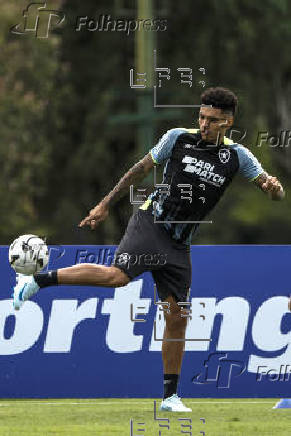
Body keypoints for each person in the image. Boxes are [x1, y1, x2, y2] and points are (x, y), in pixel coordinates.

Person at [12, 87, 285, 412]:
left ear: (228, 121)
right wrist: (104, 205)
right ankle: (38, 281)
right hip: (151, 223)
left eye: (212, 120)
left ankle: (170, 397)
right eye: (201, 116)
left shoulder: (238, 156)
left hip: (180, 244)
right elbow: (139, 170)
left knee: (177, 318)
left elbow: (272, 190)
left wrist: (274, 190)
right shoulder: (177, 138)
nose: (204, 124)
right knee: (117, 277)